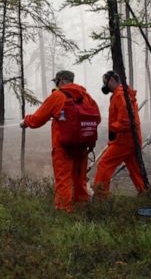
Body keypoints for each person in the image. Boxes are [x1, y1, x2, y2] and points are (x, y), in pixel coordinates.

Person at [20, 70, 100, 211]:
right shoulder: (86, 96)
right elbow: (97, 118)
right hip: (82, 146)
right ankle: (82, 207)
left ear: (61, 81)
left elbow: (37, 120)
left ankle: (64, 211)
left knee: (63, 180)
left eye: (56, 81)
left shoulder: (57, 96)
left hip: (63, 146)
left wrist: (26, 121)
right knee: (80, 178)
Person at [92, 71, 146, 196]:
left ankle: (101, 197)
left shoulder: (120, 95)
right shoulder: (122, 93)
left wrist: (113, 129)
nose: (107, 88)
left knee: (104, 165)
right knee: (135, 169)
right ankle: (146, 193)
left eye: (107, 84)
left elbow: (126, 120)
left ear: (112, 80)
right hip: (131, 139)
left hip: (125, 140)